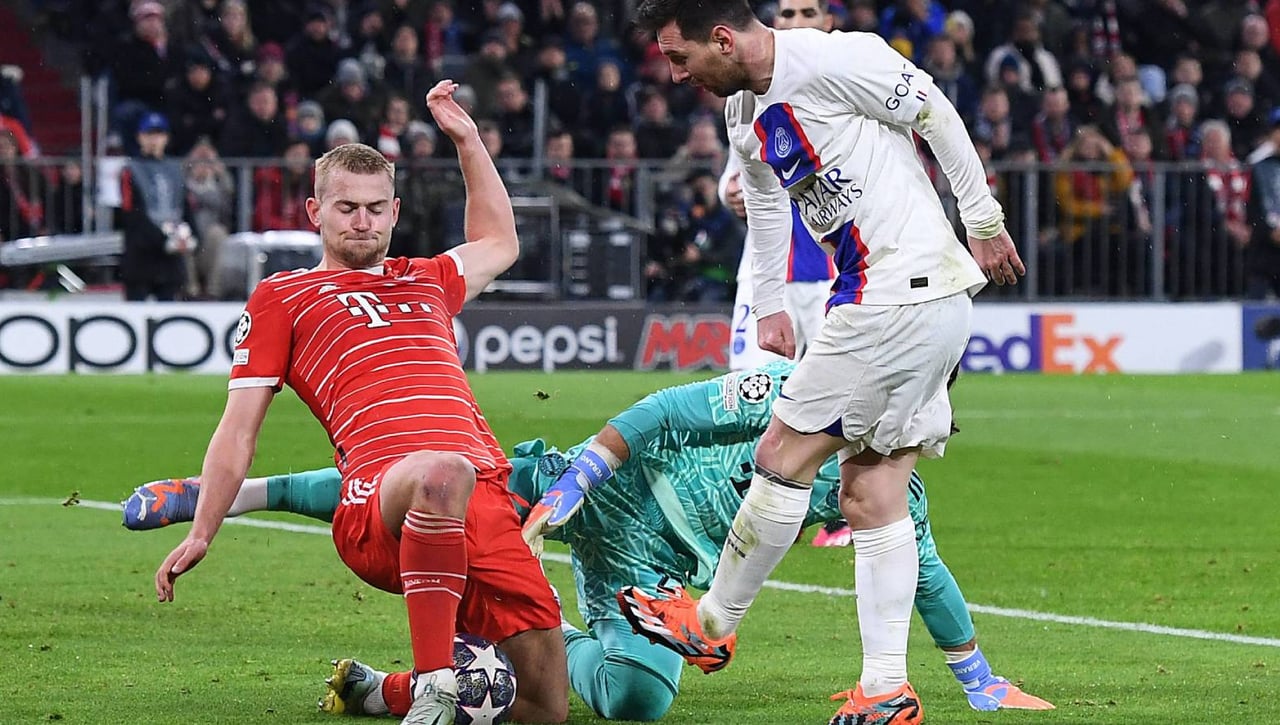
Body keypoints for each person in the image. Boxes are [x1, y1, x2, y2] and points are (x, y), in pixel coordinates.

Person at [125, 361, 1054, 718]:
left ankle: (495, 650)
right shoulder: (791, 392)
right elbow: (658, 409)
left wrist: (976, 678)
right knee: (460, 477)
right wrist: (577, 476)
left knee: (641, 703)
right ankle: (231, 494)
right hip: (610, 483)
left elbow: (923, 573)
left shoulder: (887, 491)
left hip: (651, 572)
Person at [582, 3, 1025, 723]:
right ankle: (886, 688)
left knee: (782, 452)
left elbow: (935, 111)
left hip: (895, 293)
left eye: (679, 56)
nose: (674, 73)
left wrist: (984, 221)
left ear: (722, 38)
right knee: (872, 490)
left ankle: (713, 621)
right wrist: (769, 302)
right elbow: (763, 204)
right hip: (919, 300)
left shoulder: (837, 58)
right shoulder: (741, 110)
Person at [150, 81, 568, 725]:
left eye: (376, 208)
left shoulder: (426, 278)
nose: (362, 221)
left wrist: (466, 139)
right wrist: (206, 527)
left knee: (543, 707)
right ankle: (432, 689)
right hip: (379, 500)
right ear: (315, 211)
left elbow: (499, 242)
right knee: (440, 470)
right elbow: (238, 428)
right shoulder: (282, 298)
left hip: (485, 497)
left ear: (395, 212)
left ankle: (377, 691)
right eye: (347, 208)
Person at [118, 112, 194, 301]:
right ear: (140, 137)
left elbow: (184, 205)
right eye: (149, 135)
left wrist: (189, 234)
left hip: (170, 255)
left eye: (158, 135)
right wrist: (162, 238)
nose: (154, 140)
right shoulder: (130, 170)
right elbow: (131, 213)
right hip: (141, 254)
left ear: (166, 138)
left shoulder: (176, 169)